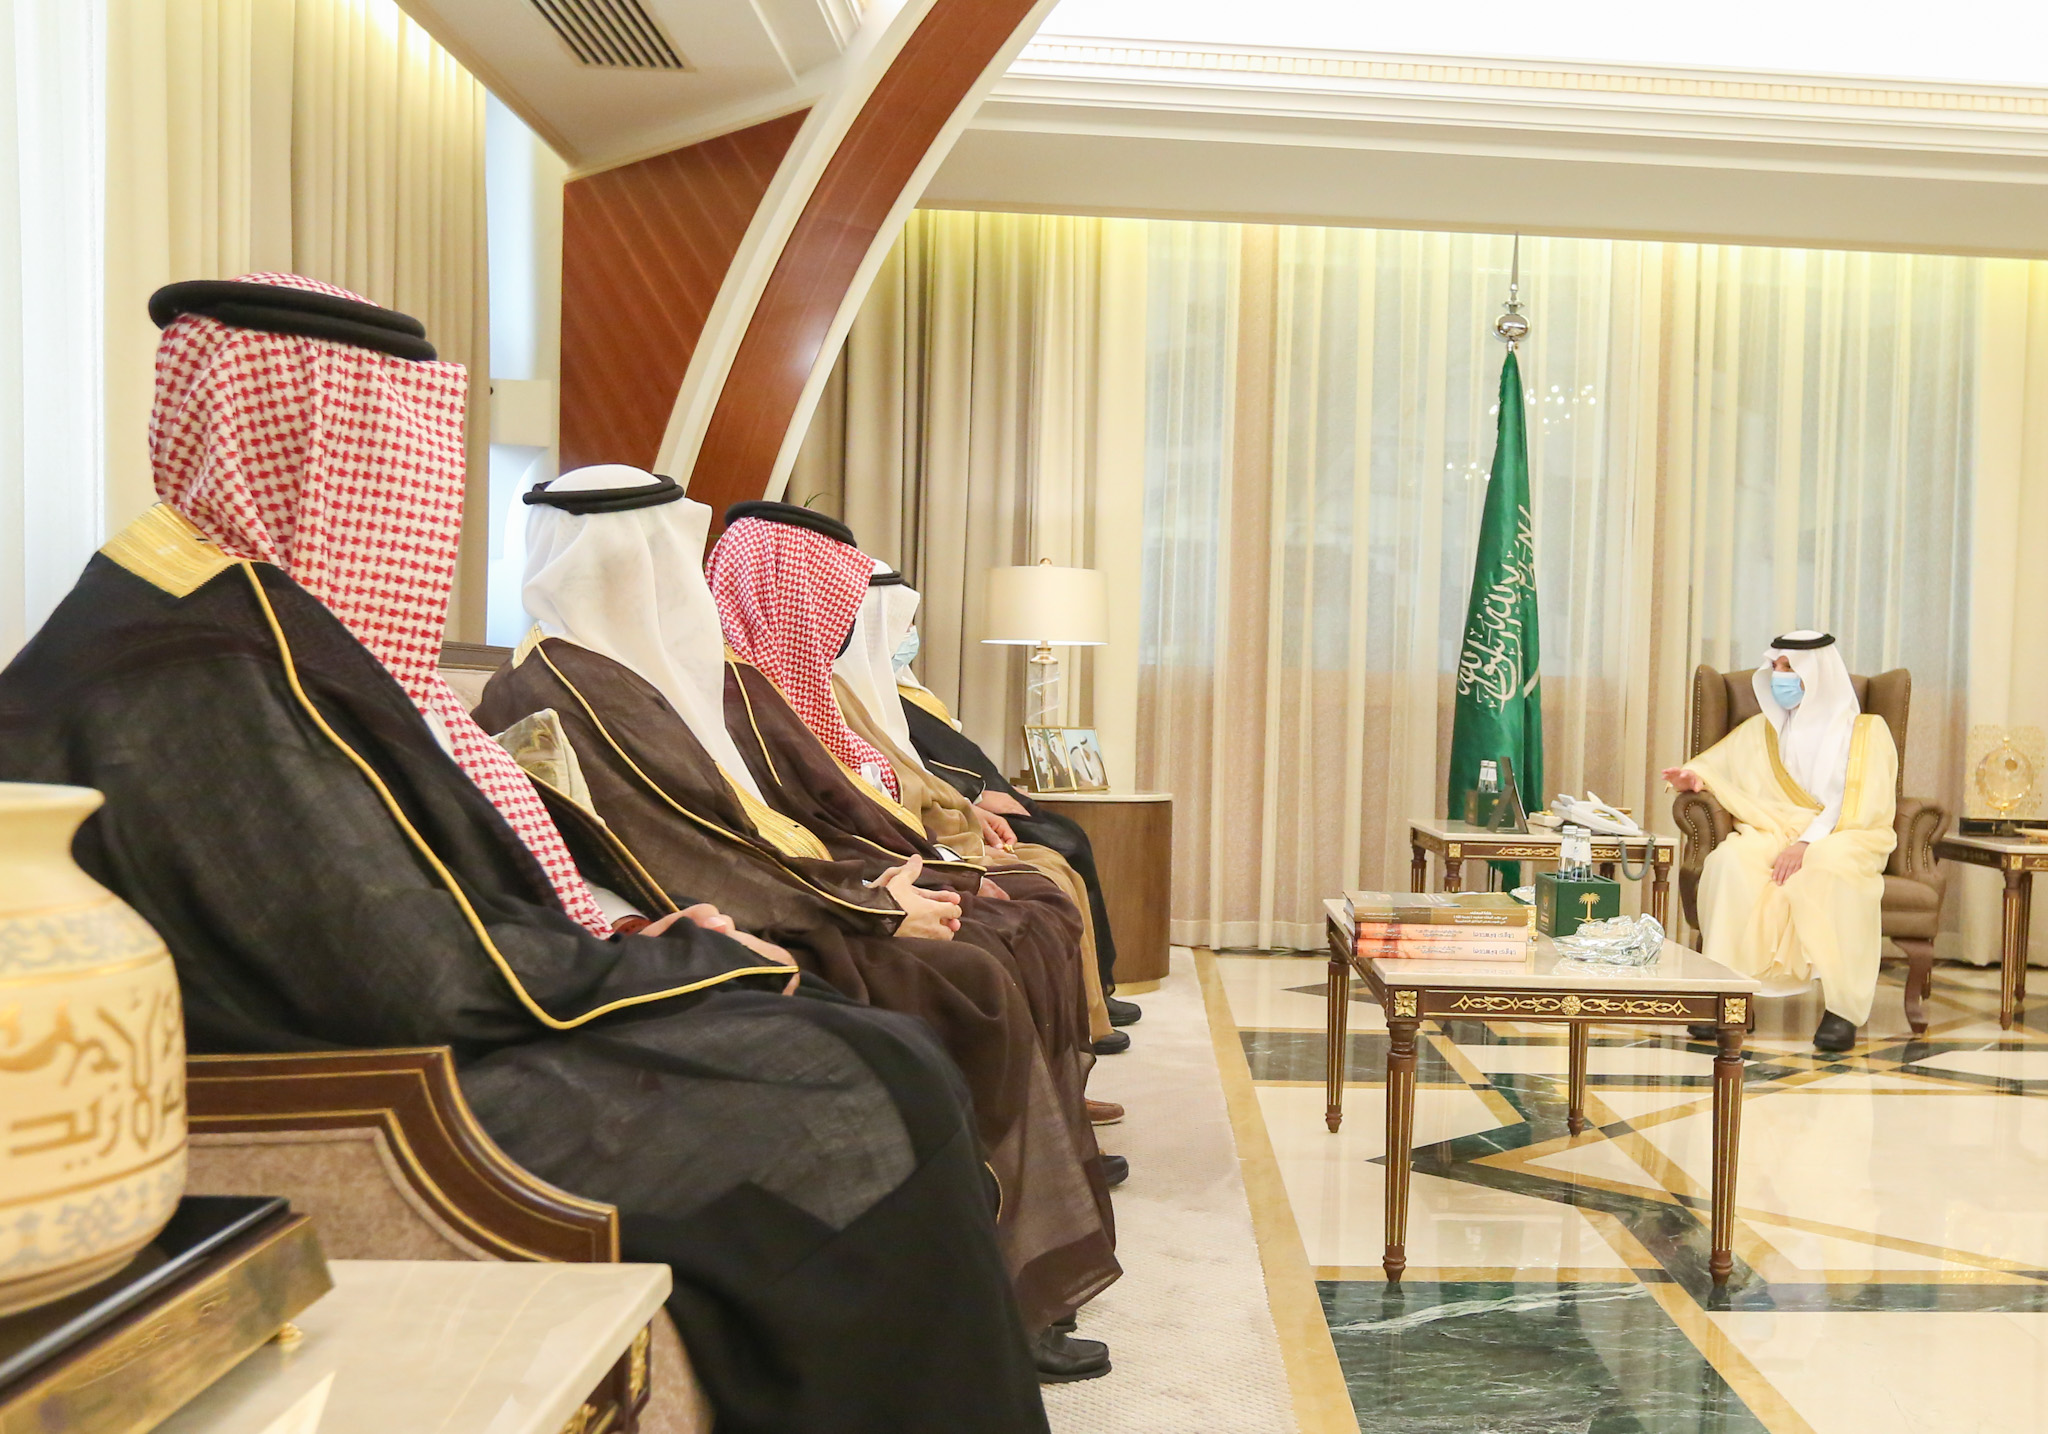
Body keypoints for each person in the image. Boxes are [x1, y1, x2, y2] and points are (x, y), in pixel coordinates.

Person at [0, 275, 1050, 1432]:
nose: (418, 507)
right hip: (365, 1086)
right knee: (859, 1086)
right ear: (312, 451)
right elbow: (403, 967)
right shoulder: (194, 670)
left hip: (415, 1036)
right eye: (395, 459)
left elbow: (404, 903)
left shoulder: (221, 630)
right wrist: (668, 956)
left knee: (875, 1054)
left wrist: (658, 939)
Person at [474, 464, 1119, 1376]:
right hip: (718, 921)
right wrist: (870, 906)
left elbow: (777, 816)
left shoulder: (666, 667)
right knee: (968, 975)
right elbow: (674, 855)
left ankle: (1003, 1268)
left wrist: (894, 877)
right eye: (657, 555)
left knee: (992, 928)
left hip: (787, 890)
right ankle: (984, 1285)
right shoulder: (555, 689)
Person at [705, 505, 1121, 1197]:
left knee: (1040, 884)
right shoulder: (735, 694)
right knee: (996, 935)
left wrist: (942, 861)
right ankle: (1013, 1159)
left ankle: (1049, 1125)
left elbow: (859, 794)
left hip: (868, 862)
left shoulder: (794, 687)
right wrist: (918, 882)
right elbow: (800, 823)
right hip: (826, 887)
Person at [888, 591, 1143, 1038]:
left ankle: (1098, 987)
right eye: (901, 623)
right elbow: (906, 769)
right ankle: (1087, 1004)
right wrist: (973, 796)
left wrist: (989, 791)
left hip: (961, 801)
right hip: (934, 819)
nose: (910, 634)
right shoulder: (858, 694)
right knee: (1060, 849)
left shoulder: (907, 689)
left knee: (1068, 835)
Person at [1663, 631, 1897, 1052]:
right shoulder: (1765, 729)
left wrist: (1807, 843)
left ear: (1817, 672)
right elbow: (1720, 765)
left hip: (1846, 832)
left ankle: (1842, 1010)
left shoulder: (1866, 732)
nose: (1778, 676)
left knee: (1829, 867)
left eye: (1788, 667)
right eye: (1775, 667)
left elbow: (1860, 802)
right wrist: (1694, 778)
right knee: (1730, 862)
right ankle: (1730, 999)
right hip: (1774, 829)